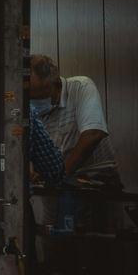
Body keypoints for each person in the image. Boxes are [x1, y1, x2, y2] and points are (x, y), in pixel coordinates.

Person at [25, 55, 121, 189]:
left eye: (42, 96)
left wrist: (59, 174)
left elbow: (93, 134)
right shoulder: (29, 109)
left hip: (96, 182)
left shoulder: (81, 86)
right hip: (54, 187)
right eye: (32, 99)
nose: (36, 103)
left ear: (57, 83)